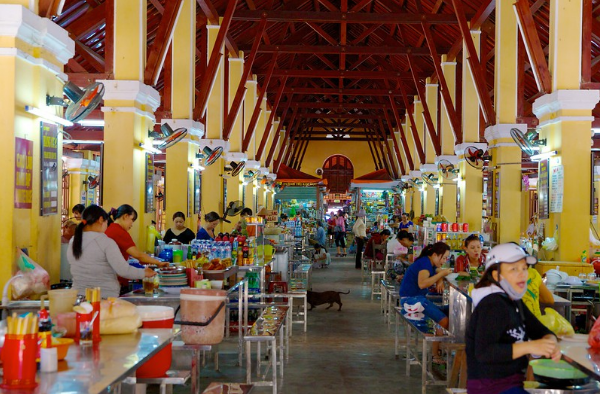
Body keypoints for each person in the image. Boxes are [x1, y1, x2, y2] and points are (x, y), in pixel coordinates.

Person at [467, 243, 560, 394]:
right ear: (497, 275)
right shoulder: (492, 304)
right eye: (513, 269)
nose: (522, 274)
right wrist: (530, 347)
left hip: (511, 385)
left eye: (524, 268)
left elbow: (539, 330)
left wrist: (551, 341)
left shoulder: (513, 301)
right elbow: (485, 352)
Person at [67, 205, 156, 298]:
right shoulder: (105, 242)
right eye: (106, 222)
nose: (107, 226)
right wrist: (145, 273)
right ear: (101, 220)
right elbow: (123, 270)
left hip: (78, 296)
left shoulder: (74, 240)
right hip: (103, 297)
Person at [399, 242, 452, 329]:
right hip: (411, 300)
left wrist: (440, 280)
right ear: (434, 255)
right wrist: (441, 274)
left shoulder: (429, 262)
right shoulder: (425, 263)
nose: (444, 261)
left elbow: (438, 271)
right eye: (443, 258)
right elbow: (422, 284)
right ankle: (436, 341)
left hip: (418, 298)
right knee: (444, 321)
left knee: (446, 311)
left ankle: (438, 340)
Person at [105, 204, 168, 271]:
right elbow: (138, 255)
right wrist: (158, 263)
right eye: (132, 220)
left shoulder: (110, 228)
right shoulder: (119, 232)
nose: (132, 224)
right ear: (125, 216)